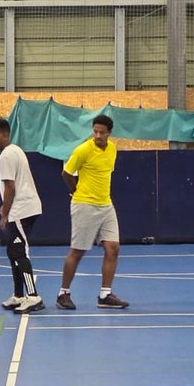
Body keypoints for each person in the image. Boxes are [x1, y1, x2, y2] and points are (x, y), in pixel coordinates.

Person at [57, 115, 130, 310]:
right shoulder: (83, 150)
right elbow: (66, 173)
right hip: (84, 205)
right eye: (95, 131)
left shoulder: (112, 149)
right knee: (78, 251)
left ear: (109, 133)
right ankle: (63, 293)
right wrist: (75, 191)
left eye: (102, 132)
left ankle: (105, 295)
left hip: (106, 205)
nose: (98, 135)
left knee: (113, 248)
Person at [0, 118, 46, 314]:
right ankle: (18, 295)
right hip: (21, 208)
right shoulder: (16, 150)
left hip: (22, 210)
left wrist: (4, 214)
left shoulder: (6, 155)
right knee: (12, 252)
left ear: (5, 135)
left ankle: (33, 297)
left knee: (20, 252)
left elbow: (10, 187)